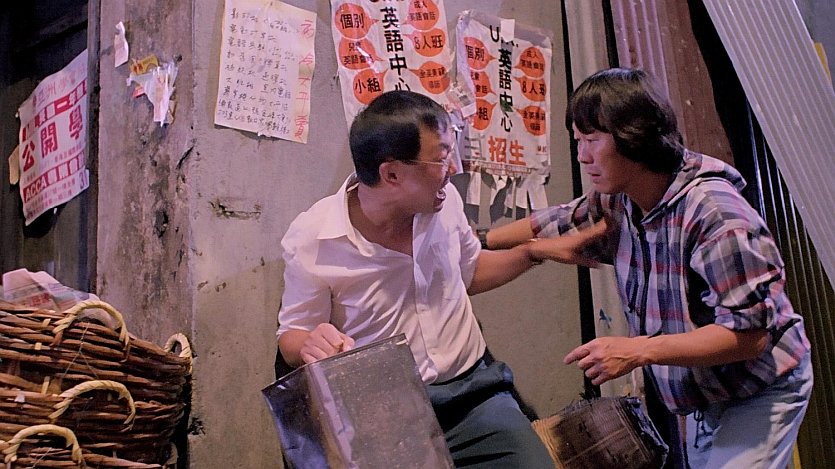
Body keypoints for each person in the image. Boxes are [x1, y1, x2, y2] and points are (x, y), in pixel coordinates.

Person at [483, 68, 812, 468]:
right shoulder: (621, 198)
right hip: (708, 393)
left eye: (592, 140)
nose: (582, 156)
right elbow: (562, 219)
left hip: (760, 387)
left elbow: (749, 337)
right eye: (578, 141)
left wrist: (637, 351)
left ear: (633, 136)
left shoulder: (716, 216)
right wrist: (477, 242)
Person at [276, 90, 597, 467]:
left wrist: (534, 252)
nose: (455, 168)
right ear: (391, 174)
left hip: (474, 397)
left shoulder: (443, 203)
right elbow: (292, 334)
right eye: (442, 157)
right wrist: (309, 343)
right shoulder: (315, 237)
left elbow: (468, 272)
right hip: (384, 417)